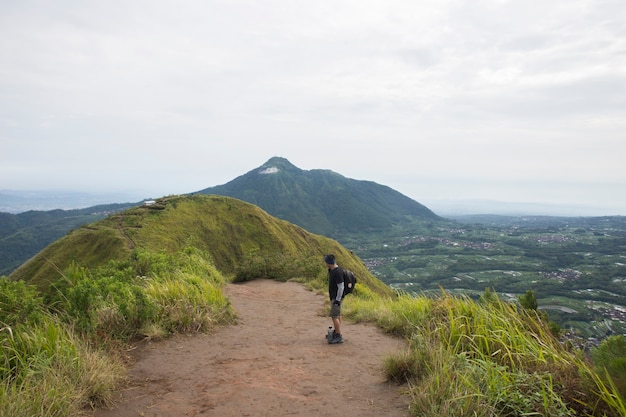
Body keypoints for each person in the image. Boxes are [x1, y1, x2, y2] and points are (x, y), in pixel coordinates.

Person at [325, 254, 344, 344]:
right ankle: (337, 331)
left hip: (336, 298)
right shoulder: (332, 270)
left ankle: (338, 335)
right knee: (337, 315)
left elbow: (341, 287)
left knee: (334, 316)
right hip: (335, 297)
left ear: (329, 263)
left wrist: (337, 300)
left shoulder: (337, 272)